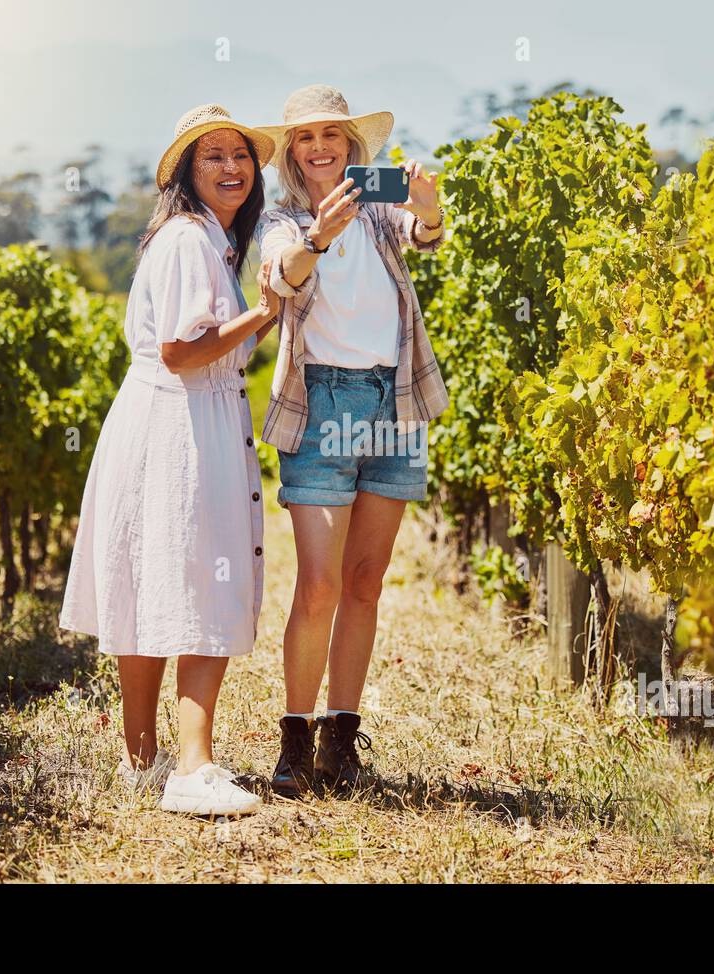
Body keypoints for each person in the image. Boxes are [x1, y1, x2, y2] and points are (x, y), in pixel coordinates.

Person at [59, 105, 278, 817]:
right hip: (183, 422)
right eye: (213, 156)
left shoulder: (194, 238)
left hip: (155, 420)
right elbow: (185, 352)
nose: (233, 167)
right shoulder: (190, 240)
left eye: (241, 155)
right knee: (199, 580)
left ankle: (142, 758)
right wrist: (265, 313)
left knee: (153, 581)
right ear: (186, 173)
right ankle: (194, 767)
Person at [255, 84, 449, 796]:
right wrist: (316, 236)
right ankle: (293, 740)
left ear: (351, 146)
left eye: (331, 135)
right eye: (305, 138)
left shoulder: (375, 210)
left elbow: (423, 233)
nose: (319, 147)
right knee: (319, 584)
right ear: (292, 153)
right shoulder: (283, 219)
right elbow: (282, 274)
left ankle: (341, 738)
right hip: (324, 401)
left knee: (365, 582)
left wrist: (427, 211)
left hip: (393, 399)